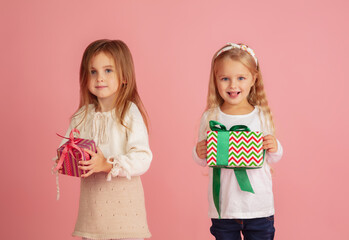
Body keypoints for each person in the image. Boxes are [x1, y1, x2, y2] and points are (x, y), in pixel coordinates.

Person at [55, 39, 152, 240]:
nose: (100, 78)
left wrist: (107, 164)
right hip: (92, 213)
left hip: (124, 213)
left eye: (108, 70)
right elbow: (68, 147)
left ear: (124, 76)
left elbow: (143, 158)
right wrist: (64, 159)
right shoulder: (82, 115)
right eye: (93, 72)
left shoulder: (129, 112)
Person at [193, 43, 283, 240]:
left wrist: (275, 147)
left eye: (241, 78)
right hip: (224, 208)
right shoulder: (211, 116)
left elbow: (273, 156)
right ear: (215, 81)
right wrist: (199, 152)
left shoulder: (261, 116)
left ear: (254, 79)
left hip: (258, 206)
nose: (233, 85)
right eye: (225, 78)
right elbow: (203, 159)